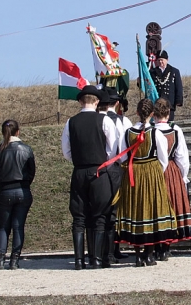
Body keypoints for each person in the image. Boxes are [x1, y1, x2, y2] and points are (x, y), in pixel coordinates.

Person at [61, 85, 119, 270]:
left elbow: (66, 151)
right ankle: (97, 259)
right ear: (97, 101)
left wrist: (80, 161)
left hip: (79, 171)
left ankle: (79, 261)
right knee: (100, 215)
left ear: (80, 101)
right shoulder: (104, 120)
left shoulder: (70, 122)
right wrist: (101, 161)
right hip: (99, 171)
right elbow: (112, 149)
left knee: (79, 217)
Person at [115, 99, 178, 267]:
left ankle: (137, 255)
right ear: (152, 114)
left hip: (133, 173)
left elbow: (122, 157)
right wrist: (155, 172)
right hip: (151, 173)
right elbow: (163, 159)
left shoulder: (127, 133)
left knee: (135, 210)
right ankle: (149, 255)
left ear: (137, 113)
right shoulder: (156, 133)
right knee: (151, 211)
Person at [0, 119, 36, 270]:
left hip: (5, 190)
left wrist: (2, 183)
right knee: (18, 226)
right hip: (23, 189)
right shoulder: (26, 149)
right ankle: (14, 260)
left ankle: (0, 260)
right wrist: (25, 183)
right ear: (18, 132)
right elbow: (31, 171)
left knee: (3, 227)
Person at [153, 98, 191, 260]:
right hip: (170, 170)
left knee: (155, 208)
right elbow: (182, 157)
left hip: (152, 171)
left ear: (154, 114)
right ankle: (165, 247)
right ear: (168, 113)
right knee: (171, 206)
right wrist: (183, 176)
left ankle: (156, 246)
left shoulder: (149, 129)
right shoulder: (175, 130)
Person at [104, 86, 132, 261]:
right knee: (115, 210)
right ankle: (113, 249)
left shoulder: (97, 119)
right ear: (116, 103)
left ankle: (101, 250)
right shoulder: (124, 121)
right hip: (116, 167)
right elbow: (126, 147)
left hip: (98, 168)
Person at [149, 50, 183, 121]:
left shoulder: (174, 71)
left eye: (162, 60)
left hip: (169, 103)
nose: (160, 62)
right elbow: (148, 85)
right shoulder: (152, 72)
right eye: (158, 60)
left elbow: (178, 87)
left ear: (167, 60)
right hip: (157, 102)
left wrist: (178, 100)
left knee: (169, 122)